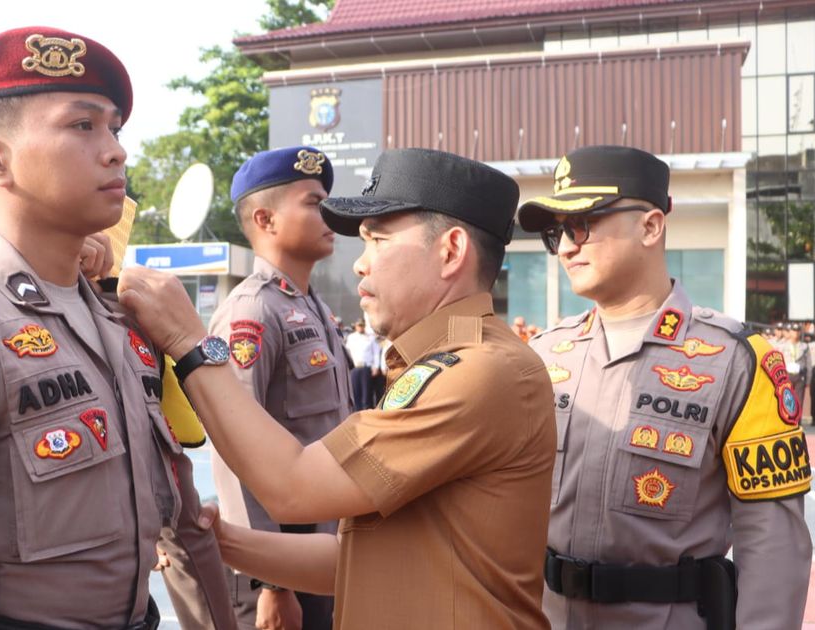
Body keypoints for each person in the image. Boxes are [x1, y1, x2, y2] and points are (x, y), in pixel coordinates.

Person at [0, 26, 232, 630]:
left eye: (114, 128)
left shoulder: (120, 323)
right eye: (83, 126)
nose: (116, 151)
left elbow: (183, 525)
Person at [119, 148, 555, 629]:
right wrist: (219, 538)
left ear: (450, 251)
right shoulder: (439, 364)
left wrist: (191, 344)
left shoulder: (479, 372)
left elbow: (293, 485)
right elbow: (357, 558)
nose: (359, 265)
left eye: (379, 240)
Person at [517, 145, 811, 629]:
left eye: (582, 225)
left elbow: (773, 548)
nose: (567, 246)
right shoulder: (545, 355)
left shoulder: (737, 361)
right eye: (557, 233)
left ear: (651, 227)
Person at [207, 146, 353, 629]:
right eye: (313, 202)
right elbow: (234, 446)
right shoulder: (252, 311)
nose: (328, 211)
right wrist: (267, 581)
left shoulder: (313, 309)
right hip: (276, 556)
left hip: (320, 544)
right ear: (266, 219)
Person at [342, 319, 376, 409]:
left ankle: (368, 417)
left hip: (366, 368)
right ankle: (357, 414)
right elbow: (347, 352)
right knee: (355, 394)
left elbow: (375, 353)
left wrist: (375, 366)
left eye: (362, 325)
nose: (360, 327)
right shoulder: (351, 337)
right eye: (359, 325)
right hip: (354, 368)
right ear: (355, 326)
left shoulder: (370, 337)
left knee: (367, 395)